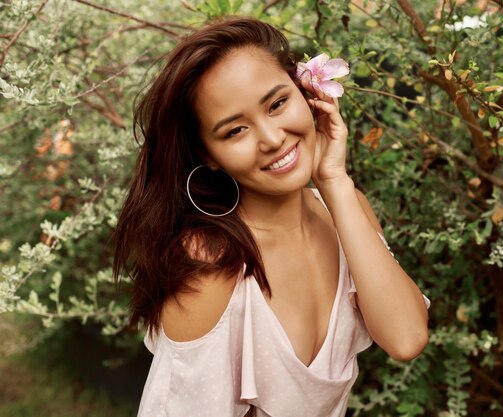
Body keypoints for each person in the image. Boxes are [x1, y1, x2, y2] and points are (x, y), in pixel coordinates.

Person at [114, 16, 430, 417]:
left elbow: (406, 338)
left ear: (308, 93)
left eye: (277, 103)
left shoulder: (347, 214)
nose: (272, 138)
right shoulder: (210, 262)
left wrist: (334, 180)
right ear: (209, 155)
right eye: (235, 131)